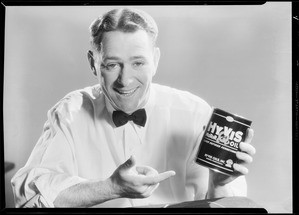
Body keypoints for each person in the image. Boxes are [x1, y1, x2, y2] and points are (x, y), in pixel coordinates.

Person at [11, 8, 256, 208]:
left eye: (138, 63)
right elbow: (28, 196)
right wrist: (110, 188)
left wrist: (221, 183)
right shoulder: (69, 112)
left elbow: (227, 206)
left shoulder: (195, 113)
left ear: (156, 60)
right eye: (112, 65)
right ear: (93, 63)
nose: (125, 80)